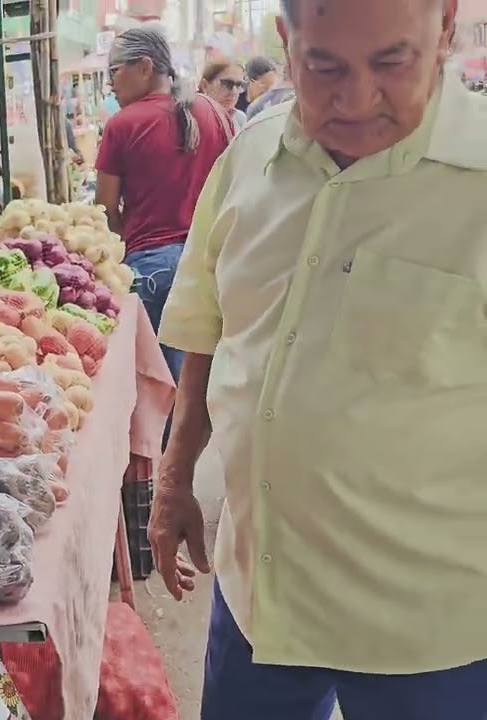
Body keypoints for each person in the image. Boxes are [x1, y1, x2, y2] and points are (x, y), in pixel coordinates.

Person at [152, 0, 487, 717]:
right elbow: (207, 324)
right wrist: (174, 477)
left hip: (428, 633)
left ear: (447, 28)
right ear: (285, 42)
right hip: (258, 595)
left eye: (392, 61)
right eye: (324, 66)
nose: (357, 99)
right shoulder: (251, 154)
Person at [94, 26, 233, 383]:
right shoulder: (215, 113)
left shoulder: (121, 125)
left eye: (114, 71)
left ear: (143, 66)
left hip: (153, 270)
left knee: (163, 387)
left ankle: (170, 442)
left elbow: (105, 210)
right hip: (216, 260)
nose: (110, 82)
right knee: (214, 373)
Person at [199, 57, 249, 129]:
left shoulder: (240, 119)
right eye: (227, 84)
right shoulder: (192, 120)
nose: (233, 92)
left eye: (239, 85)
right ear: (205, 86)